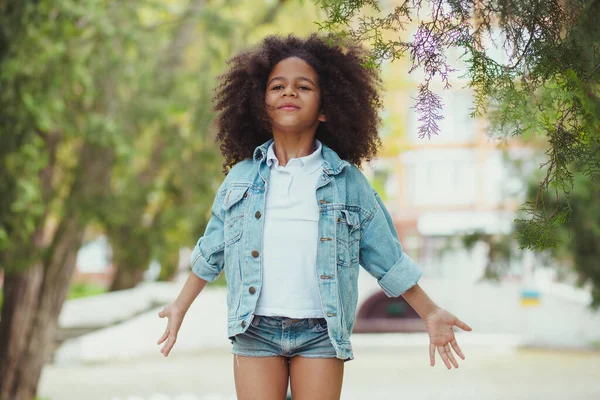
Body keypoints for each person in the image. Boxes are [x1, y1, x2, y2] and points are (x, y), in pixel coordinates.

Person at [157, 33, 472, 400]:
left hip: (321, 332)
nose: (289, 92)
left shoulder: (347, 182)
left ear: (326, 108)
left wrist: (430, 311)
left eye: (303, 86)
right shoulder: (240, 178)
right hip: (254, 330)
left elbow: (386, 257)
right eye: (277, 86)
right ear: (262, 105)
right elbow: (211, 250)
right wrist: (179, 306)